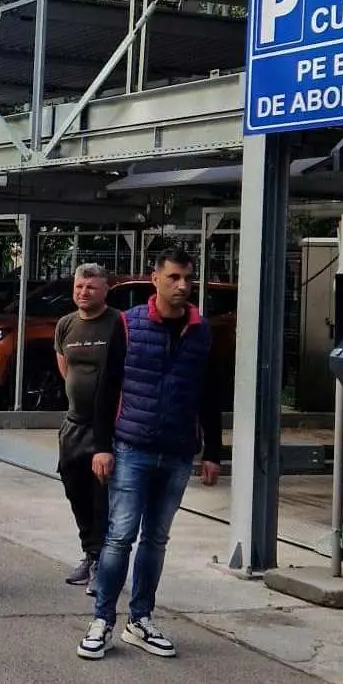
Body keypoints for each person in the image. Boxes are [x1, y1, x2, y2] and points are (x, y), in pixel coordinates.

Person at [76, 248, 225, 661]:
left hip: (177, 452)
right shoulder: (128, 324)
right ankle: (102, 620)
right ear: (155, 278)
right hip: (131, 448)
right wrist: (102, 447)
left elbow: (209, 394)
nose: (183, 286)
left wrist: (213, 451)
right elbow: (107, 388)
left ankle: (140, 619)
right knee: (120, 536)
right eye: (174, 277)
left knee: (156, 539)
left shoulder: (201, 331)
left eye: (188, 278)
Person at [55, 265, 120, 592]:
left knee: (102, 499)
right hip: (73, 427)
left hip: (106, 430)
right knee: (76, 493)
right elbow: (65, 369)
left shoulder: (119, 324)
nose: (83, 292)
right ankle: (90, 553)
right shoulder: (66, 324)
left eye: (91, 287)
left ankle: (102, 564)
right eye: (79, 286)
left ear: (106, 289)